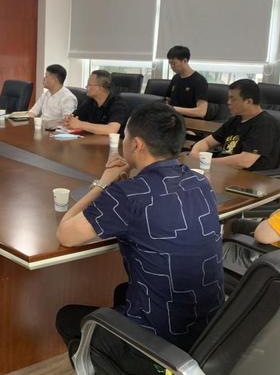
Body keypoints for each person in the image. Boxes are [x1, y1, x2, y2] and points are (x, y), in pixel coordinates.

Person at [56, 103, 223, 373]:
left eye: (125, 137)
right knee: (122, 291)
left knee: (67, 317)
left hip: (160, 341)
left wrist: (104, 182)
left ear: (136, 144)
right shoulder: (200, 182)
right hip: (209, 333)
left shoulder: (128, 194)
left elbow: (66, 234)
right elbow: (158, 200)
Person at [191, 79, 280, 171]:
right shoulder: (235, 120)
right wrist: (195, 153)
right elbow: (207, 142)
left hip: (247, 176)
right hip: (224, 170)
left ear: (249, 101)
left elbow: (244, 161)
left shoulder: (265, 124)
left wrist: (207, 162)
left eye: (233, 99)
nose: (228, 102)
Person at [64, 70, 129, 135]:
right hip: (93, 139)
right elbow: (74, 117)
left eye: (89, 85)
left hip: (114, 141)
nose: (86, 87)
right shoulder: (90, 101)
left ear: (101, 88)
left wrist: (80, 124)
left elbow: (112, 130)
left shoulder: (118, 103)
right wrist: (69, 119)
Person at [166, 45, 209, 119]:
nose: (172, 66)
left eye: (174, 63)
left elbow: (201, 112)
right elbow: (168, 99)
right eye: (170, 63)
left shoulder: (199, 81)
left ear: (185, 61)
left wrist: (173, 109)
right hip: (173, 118)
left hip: (190, 120)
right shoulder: (176, 78)